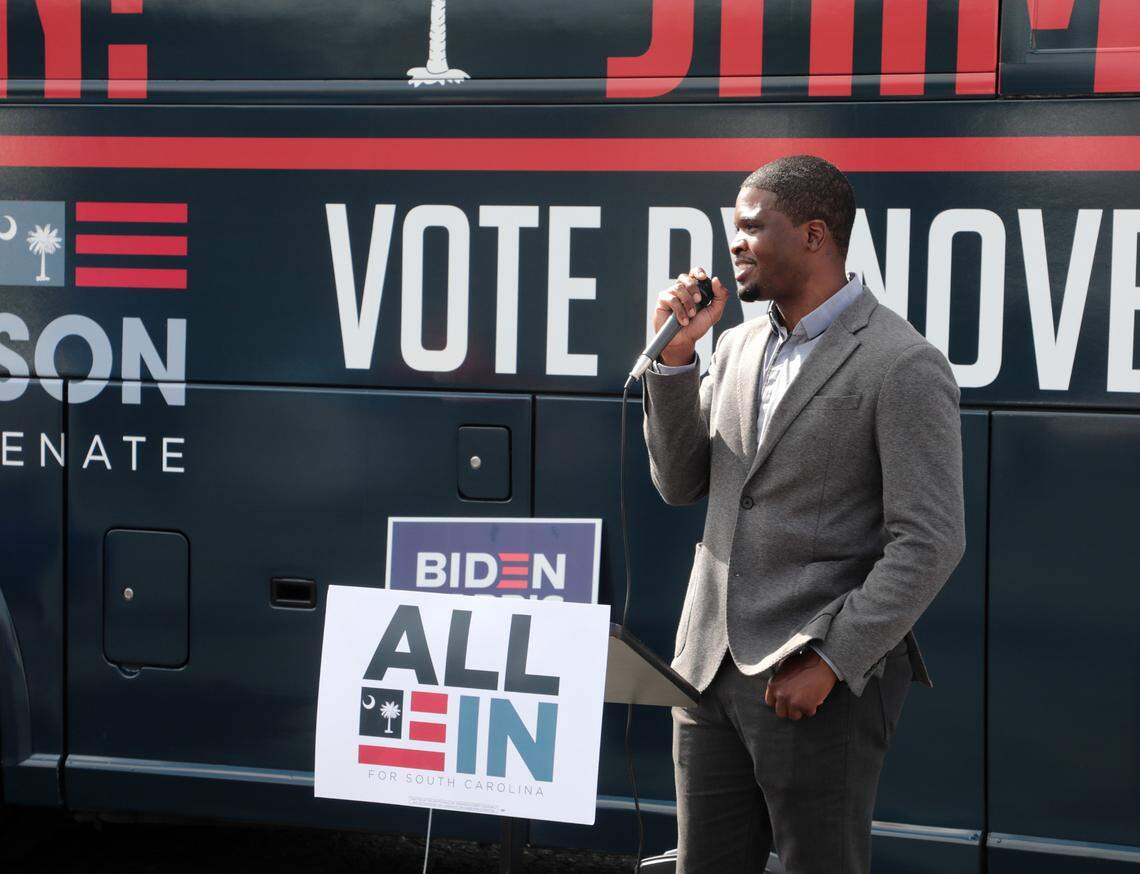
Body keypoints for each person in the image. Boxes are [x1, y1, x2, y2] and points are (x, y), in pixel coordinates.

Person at [641, 155, 965, 873]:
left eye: (753, 227)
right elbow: (680, 483)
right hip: (707, 673)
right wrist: (677, 360)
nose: (734, 243)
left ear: (815, 235)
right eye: (734, 228)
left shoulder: (901, 363)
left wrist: (833, 659)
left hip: (814, 681)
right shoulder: (737, 344)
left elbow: (930, 540)